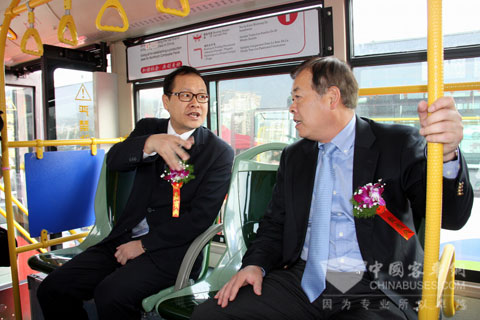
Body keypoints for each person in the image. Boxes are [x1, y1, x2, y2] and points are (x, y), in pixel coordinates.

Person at [191, 57, 473, 320]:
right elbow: (275, 224)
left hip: (373, 282)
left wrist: (447, 157)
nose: (291, 107)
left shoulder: (396, 144)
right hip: (303, 277)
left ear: (332, 97)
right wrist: (255, 265)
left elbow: (451, 216)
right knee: (210, 315)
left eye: (297, 97)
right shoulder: (295, 157)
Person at [37, 66, 234, 320]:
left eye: (202, 96)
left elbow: (200, 218)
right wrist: (150, 144)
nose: (196, 103)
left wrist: (143, 245)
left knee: (111, 294)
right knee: (54, 288)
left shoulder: (218, 152)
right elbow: (116, 160)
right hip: (123, 238)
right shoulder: (148, 128)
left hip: (172, 252)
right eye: (186, 95)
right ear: (166, 100)